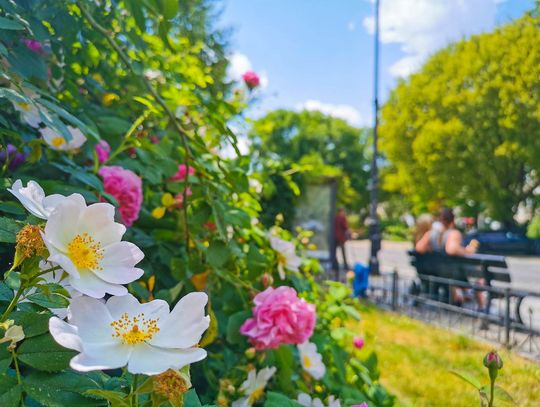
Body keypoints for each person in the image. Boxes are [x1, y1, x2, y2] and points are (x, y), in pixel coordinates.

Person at [415, 208, 484, 308]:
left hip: (437, 271)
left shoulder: (431, 233)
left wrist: (431, 249)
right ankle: (482, 307)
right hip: (451, 273)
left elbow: (419, 248)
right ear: (452, 220)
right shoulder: (453, 233)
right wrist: (467, 251)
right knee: (479, 278)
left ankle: (464, 298)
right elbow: (451, 249)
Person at [333, 207, 350, 272]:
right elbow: (345, 227)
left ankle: (335, 264)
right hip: (340, 237)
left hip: (335, 237)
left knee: (335, 252)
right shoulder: (342, 218)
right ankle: (345, 265)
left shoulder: (336, 217)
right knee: (343, 252)